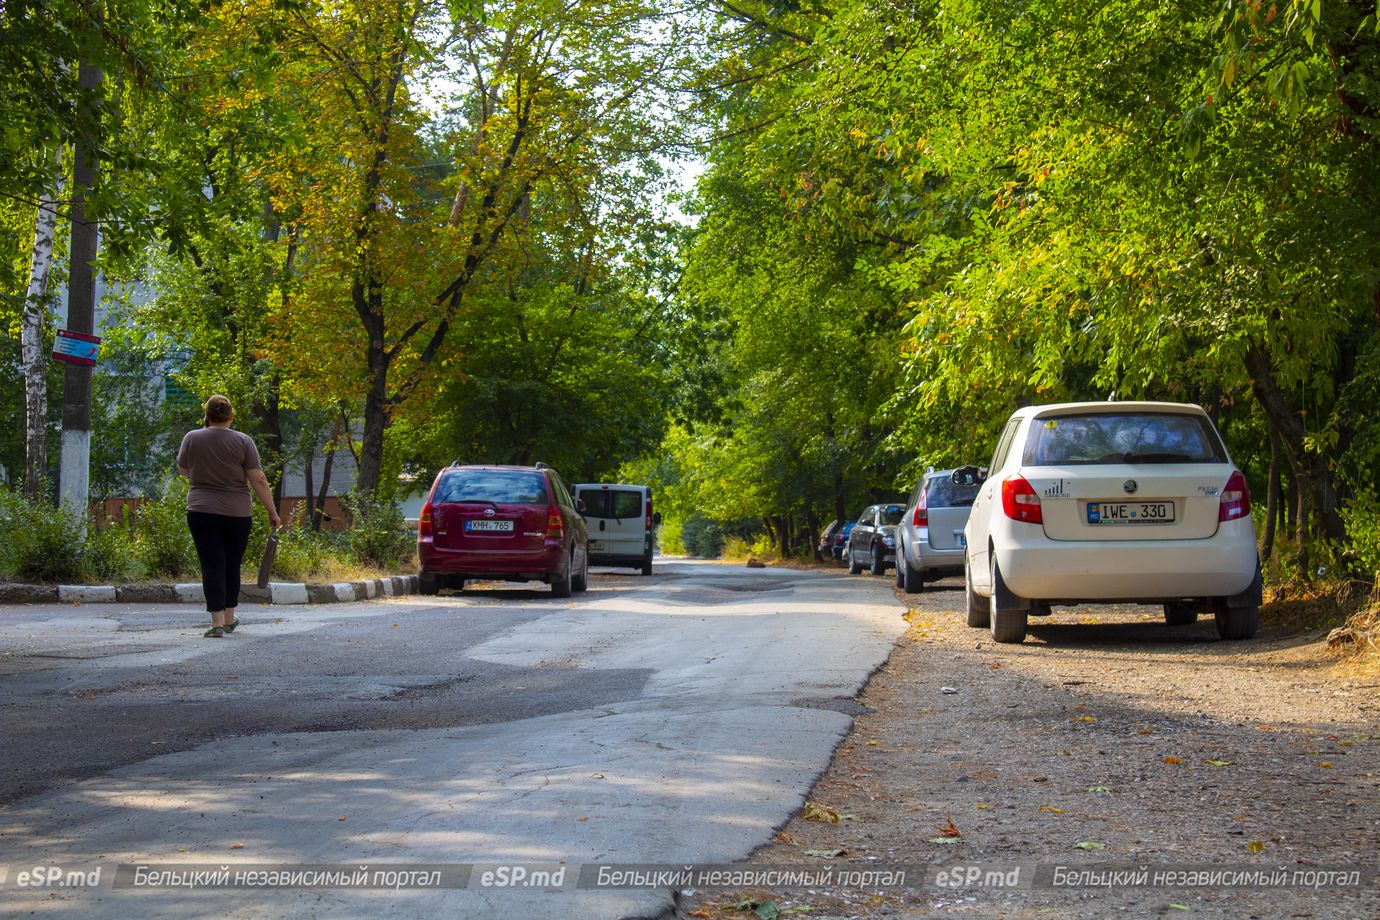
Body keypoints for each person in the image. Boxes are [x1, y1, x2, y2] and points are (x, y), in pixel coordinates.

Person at [176, 395, 281, 638]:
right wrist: (272, 511)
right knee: (232, 564)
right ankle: (230, 617)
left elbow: (183, 470)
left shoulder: (192, 438)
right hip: (237, 513)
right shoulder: (244, 441)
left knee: (211, 564)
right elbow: (259, 479)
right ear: (230, 417)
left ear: (207, 416)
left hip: (201, 510)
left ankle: (216, 623)